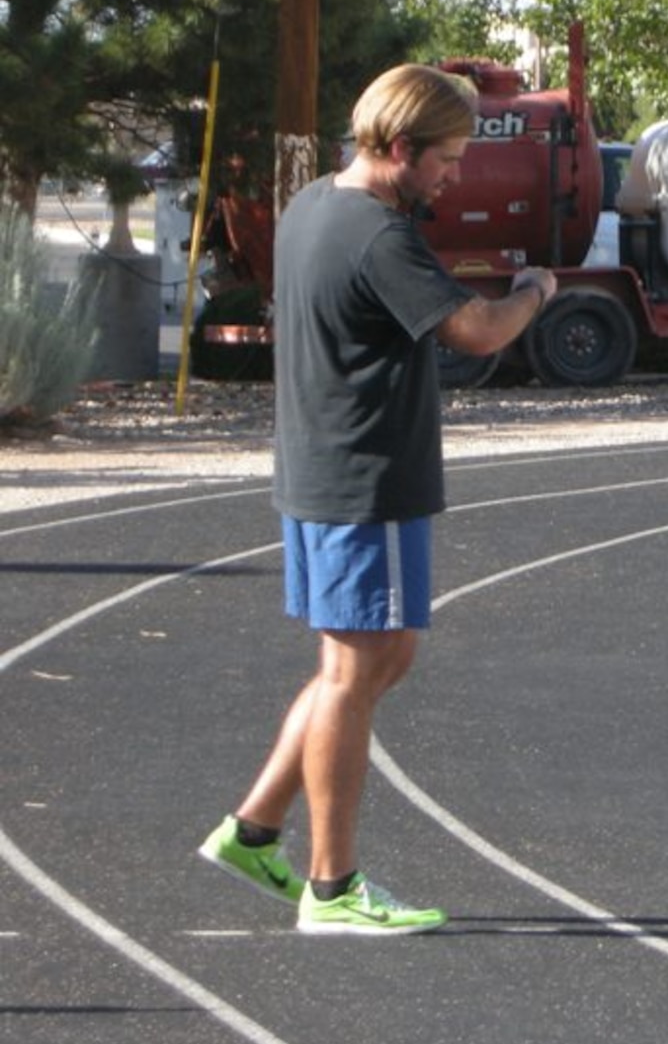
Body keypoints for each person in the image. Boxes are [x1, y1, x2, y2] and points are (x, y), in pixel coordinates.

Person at [197, 64, 558, 936]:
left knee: (376, 661)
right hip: (364, 482)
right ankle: (332, 889)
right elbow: (472, 331)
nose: (454, 175)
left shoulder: (316, 204)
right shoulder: (376, 235)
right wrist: (536, 293)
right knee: (355, 675)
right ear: (400, 147)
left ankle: (253, 830)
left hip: (331, 473)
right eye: (445, 158)